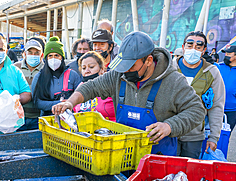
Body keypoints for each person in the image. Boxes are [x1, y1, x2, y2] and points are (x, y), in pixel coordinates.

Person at [53, 31, 206, 156]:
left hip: (158, 156)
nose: (126, 71)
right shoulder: (118, 75)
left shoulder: (174, 81)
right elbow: (90, 87)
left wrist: (169, 126)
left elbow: (196, 110)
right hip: (122, 154)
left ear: (148, 60)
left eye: (131, 66)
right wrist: (70, 102)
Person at [173, 31, 225, 159]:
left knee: (188, 172)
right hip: (168, 132)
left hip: (194, 134)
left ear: (204, 50)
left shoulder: (211, 72)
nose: (193, 49)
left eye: (198, 46)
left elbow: (216, 105)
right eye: (189, 45)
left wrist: (214, 137)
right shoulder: (170, 68)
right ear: (183, 47)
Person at [32, 36, 81, 116]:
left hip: (69, 118)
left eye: (56, 55)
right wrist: (59, 103)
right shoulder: (39, 77)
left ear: (62, 57)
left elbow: (80, 96)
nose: (53, 59)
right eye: (50, 56)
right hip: (47, 119)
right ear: (46, 58)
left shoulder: (73, 75)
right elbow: (37, 102)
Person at [74, 51, 116, 121]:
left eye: (91, 67)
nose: (87, 71)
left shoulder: (110, 85)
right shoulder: (80, 87)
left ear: (102, 69)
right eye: (83, 68)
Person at [14, 39, 44, 130]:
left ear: (41, 55)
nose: (33, 55)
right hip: (19, 116)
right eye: (30, 52)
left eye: (36, 53)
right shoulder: (15, 68)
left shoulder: (46, 70)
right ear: (24, 54)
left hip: (38, 117)